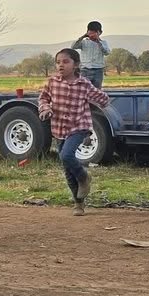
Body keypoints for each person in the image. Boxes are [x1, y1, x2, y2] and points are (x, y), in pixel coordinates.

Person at [38, 48, 109, 214]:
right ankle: (79, 203)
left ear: (76, 64)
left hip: (79, 127)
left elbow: (102, 99)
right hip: (59, 128)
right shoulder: (52, 82)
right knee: (67, 168)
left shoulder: (83, 84)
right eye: (58, 62)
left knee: (66, 155)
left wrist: (102, 100)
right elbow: (43, 98)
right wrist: (45, 109)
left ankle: (84, 176)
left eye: (65, 62)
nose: (61, 65)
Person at [74, 22, 108, 86]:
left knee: (97, 90)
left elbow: (107, 52)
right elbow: (73, 46)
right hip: (85, 69)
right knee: (83, 89)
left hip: (98, 70)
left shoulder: (103, 43)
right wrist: (82, 37)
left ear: (100, 33)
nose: (92, 35)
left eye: (95, 32)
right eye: (91, 32)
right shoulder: (83, 42)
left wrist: (98, 42)